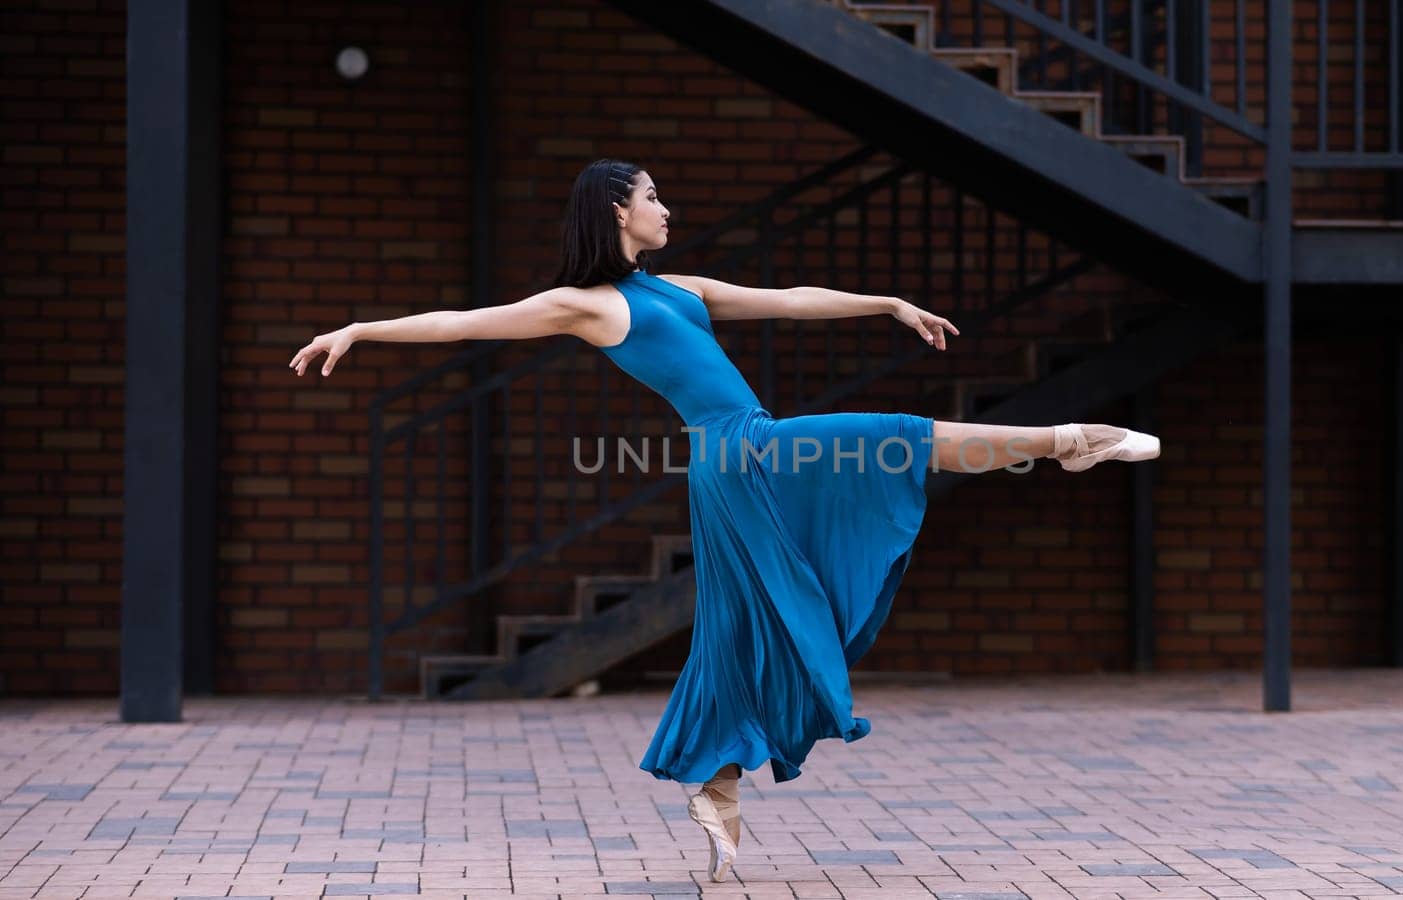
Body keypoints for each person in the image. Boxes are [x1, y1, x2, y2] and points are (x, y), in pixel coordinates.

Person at [289, 158, 1159, 883]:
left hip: (742, 455)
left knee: (743, 623)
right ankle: (1066, 440)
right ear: (616, 210)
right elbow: (465, 325)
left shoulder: (674, 287)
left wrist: (884, 303)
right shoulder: (587, 304)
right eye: (654, 196)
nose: (667, 208)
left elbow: (788, 297)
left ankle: (716, 776)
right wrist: (362, 328)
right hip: (739, 451)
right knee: (895, 440)